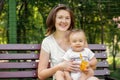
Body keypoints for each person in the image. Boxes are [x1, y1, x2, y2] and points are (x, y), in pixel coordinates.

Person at [38, 4, 98, 80]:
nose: (64, 21)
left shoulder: (78, 38)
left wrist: (86, 65)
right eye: (60, 17)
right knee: (59, 73)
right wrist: (59, 66)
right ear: (54, 19)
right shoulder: (48, 42)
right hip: (62, 77)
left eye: (67, 18)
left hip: (81, 76)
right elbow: (41, 75)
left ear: (70, 21)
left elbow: (93, 65)